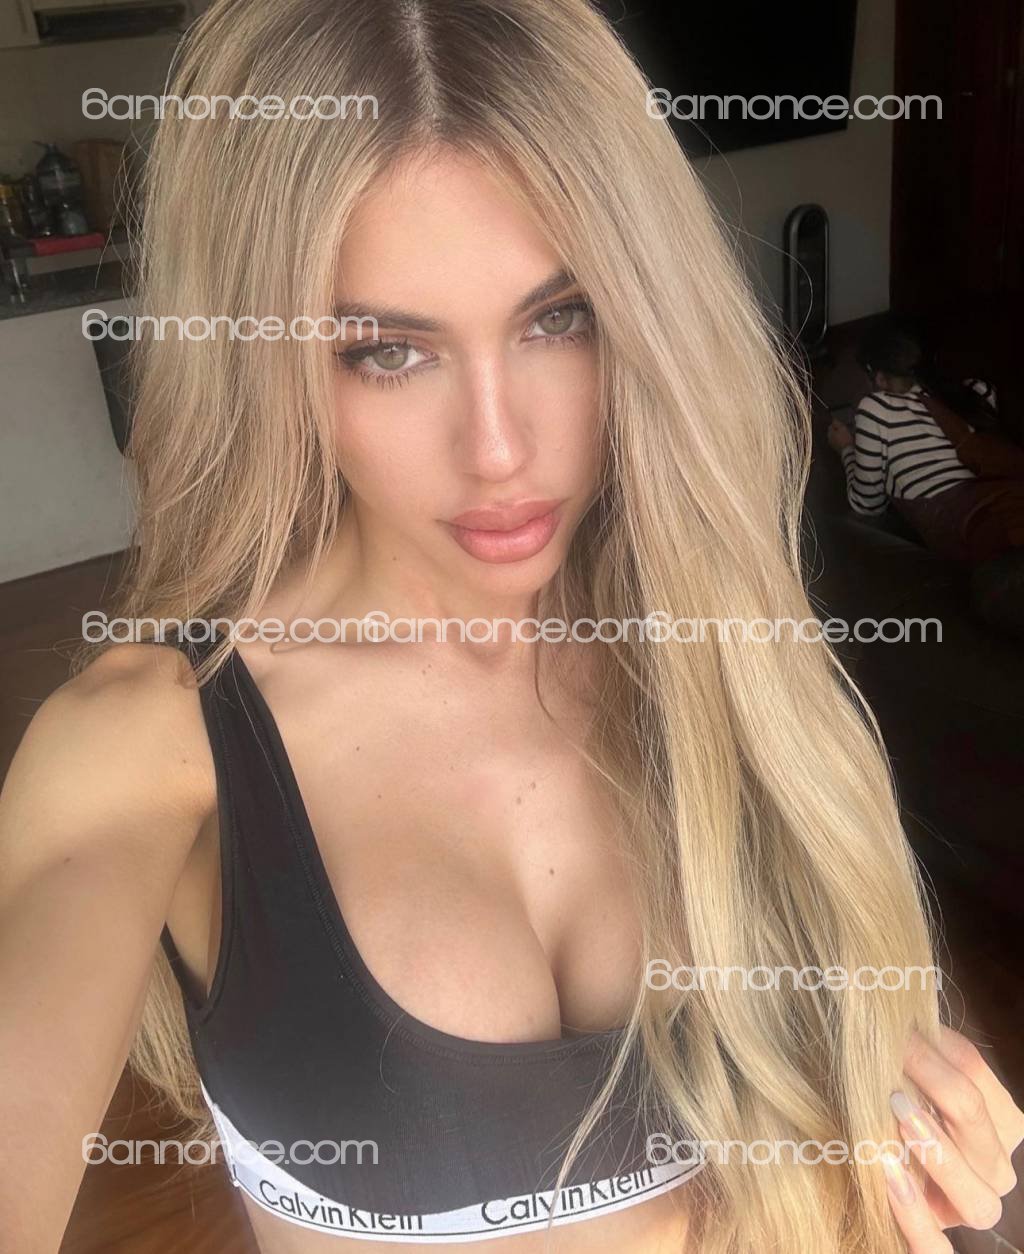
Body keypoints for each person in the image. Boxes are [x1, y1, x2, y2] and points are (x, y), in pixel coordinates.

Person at [2, 2, 1022, 1253]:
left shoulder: (723, 649)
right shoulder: (152, 746)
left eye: (559, 318)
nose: (498, 449)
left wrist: (917, 1141)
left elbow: (865, 1066)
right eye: (386, 351)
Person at [828, 321, 1024, 635]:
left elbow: (867, 503)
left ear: (879, 376)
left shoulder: (875, 408)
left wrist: (846, 449)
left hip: (983, 533)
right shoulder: (976, 392)